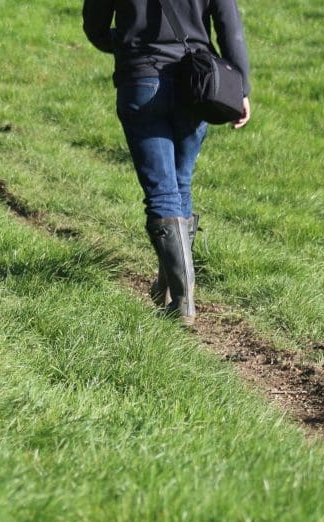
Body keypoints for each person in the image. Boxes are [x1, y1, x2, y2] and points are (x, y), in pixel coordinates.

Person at [83, 0, 251, 325]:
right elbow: (230, 28)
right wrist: (241, 87)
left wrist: (122, 44)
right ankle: (172, 290)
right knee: (179, 184)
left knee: (162, 193)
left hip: (141, 79)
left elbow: (95, 25)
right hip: (196, 82)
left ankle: (183, 300)